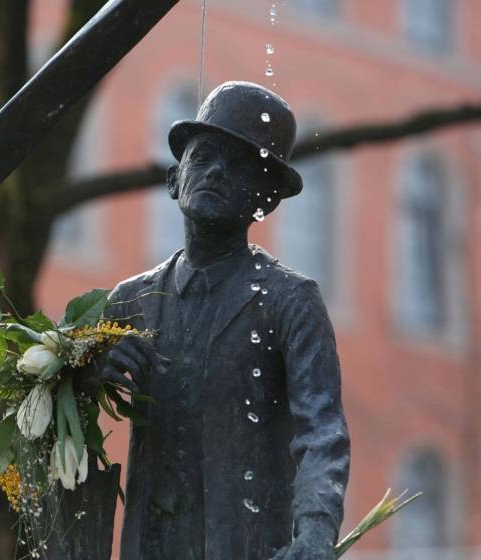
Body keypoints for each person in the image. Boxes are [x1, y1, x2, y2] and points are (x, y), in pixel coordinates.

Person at [95, 81, 350, 560]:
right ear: (175, 179)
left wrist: (316, 535)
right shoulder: (131, 302)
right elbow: (66, 428)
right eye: (204, 156)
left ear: (266, 199)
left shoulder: (290, 300)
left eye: (239, 165)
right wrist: (88, 375)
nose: (216, 171)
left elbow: (322, 432)